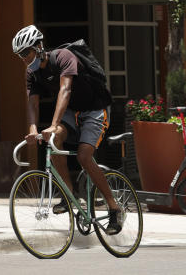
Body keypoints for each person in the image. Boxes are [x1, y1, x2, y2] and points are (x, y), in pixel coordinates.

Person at [12, 24, 123, 235]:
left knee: (84, 156)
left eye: (26, 53)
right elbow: (32, 104)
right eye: (20, 55)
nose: (24, 59)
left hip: (95, 109)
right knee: (54, 142)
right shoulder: (31, 74)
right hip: (72, 112)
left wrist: (53, 124)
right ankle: (69, 194)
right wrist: (33, 130)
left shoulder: (63, 56)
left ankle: (113, 207)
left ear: (38, 46)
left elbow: (65, 89)